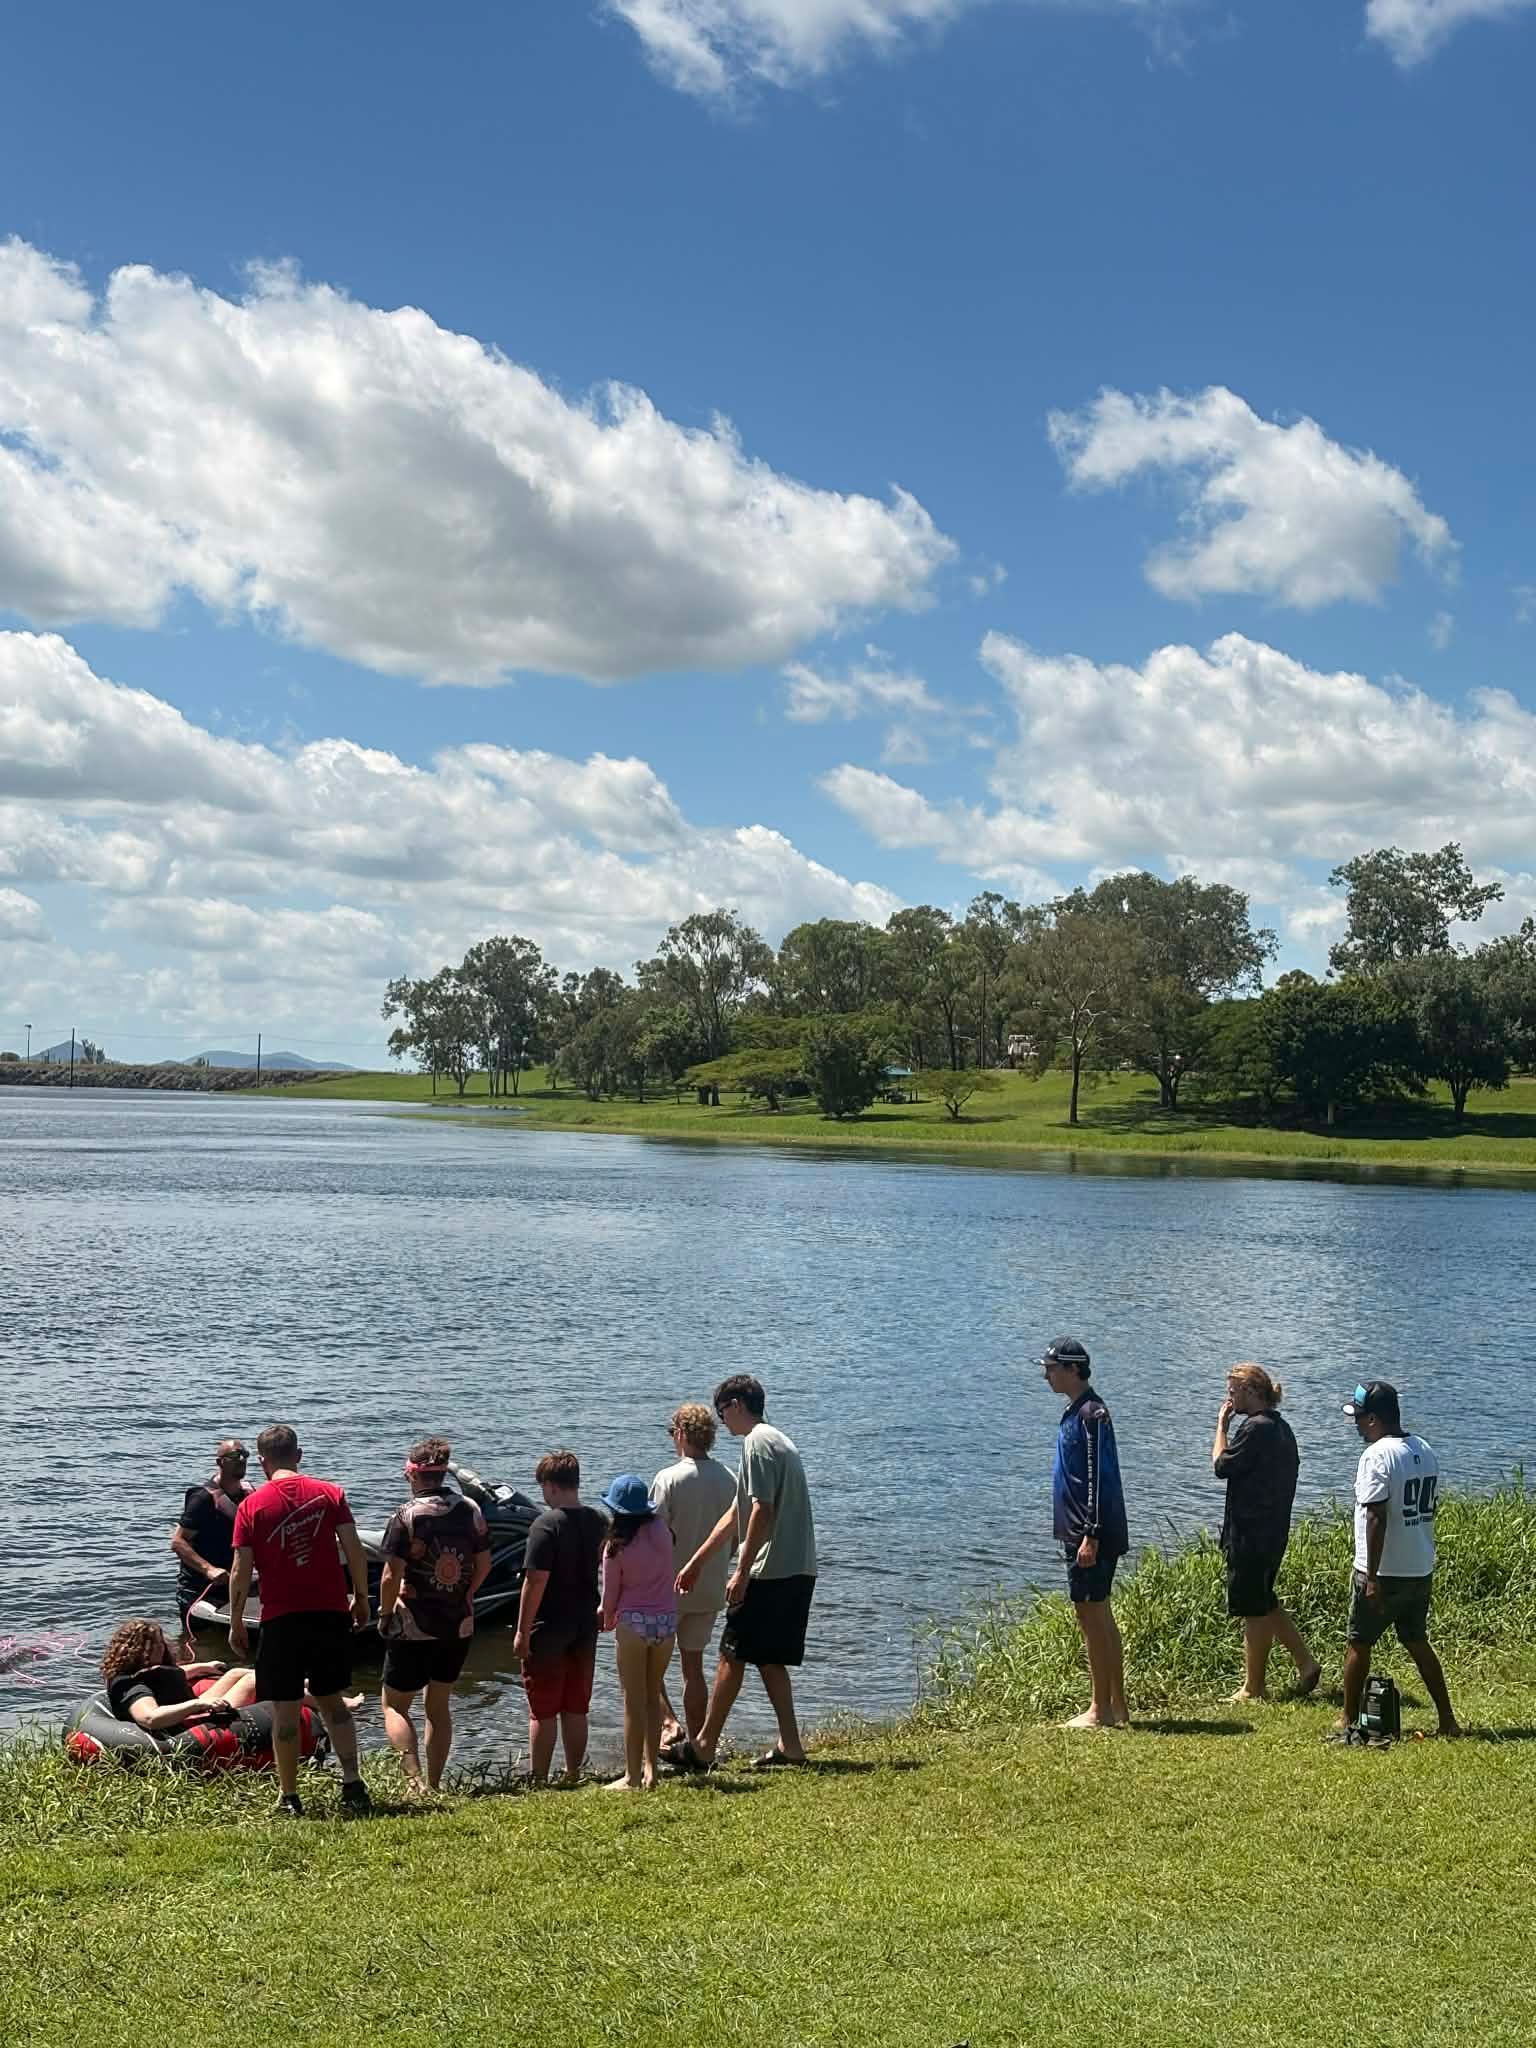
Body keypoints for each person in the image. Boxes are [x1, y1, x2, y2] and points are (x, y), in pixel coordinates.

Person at [665, 1374, 816, 1773]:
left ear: (736, 1405)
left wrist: (743, 1571)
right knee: (769, 1659)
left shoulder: (757, 1442)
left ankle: (703, 1746)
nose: (722, 1422)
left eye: (722, 1412)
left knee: (731, 1654)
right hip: (797, 1568)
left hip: (771, 1570)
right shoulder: (777, 1440)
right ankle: (792, 1746)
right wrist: (697, 1561)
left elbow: (762, 1512)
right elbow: (736, 1514)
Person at [229, 1423, 373, 1817]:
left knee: (286, 1710)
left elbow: (241, 1570)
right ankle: (353, 1785)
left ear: (261, 1462)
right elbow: (355, 1552)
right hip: (329, 1613)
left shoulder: (251, 1506)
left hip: (281, 1620)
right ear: (299, 1455)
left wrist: (237, 1619)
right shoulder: (330, 1494)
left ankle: (290, 1798)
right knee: (334, 1703)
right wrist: (361, 1599)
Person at [1334, 1380, 1458, 1743]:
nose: (1356, 1425)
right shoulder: (1424, 1448)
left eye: (1359, 1418)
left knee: (1359, 1642)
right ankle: (1447, 1718)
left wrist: (1370, 1577)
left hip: (1383, 1570)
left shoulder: (1376, 1456)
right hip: (1419, 1566)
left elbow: (1375, 1516)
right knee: (1417, 1640)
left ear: (1373, 1419)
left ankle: (1347, 1718)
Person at [376, 1434, 492, 1797]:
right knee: (438, 1706)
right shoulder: (471, 1510)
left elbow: (391, 1575)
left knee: (394, 1705)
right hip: (458, 1624)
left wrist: (383, 1613)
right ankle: (436, 1782)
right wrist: (467, 1593)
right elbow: (483, 1563)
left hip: (412, 1626)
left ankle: (414, 1784)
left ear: (413, 1475)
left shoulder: (405, 1516)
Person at [1212, 1363, 1321, 1703]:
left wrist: (1221, 1427)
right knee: (1265, 1600)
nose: (1229, 1400)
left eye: (1233, 1392)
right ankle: (1306, 1663)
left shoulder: (1254, 1428)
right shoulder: (1282, 1428)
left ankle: (1253, 1687)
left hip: (1252, 1533)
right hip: (1274, 1530)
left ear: (1251, 1392)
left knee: (1253, 1608)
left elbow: (1220, 1465)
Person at [1042, 1336, 1130, 1729]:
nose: (1047, 1375)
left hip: (1089, 1533)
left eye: (1052, 1367)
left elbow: (1096, 1477)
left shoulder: (1091, 1414)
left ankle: (1100, 1710)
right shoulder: (1076, 1410)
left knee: (1092, 1617)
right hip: (1081, 1531)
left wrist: (1091, 1534)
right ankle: (1115, 1706)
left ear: (1073, 1369)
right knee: (1098, 1614)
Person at [512, 1449, 606, 1785]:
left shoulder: (544, 1525)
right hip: (585, 1623)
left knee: (544, 1708)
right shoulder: (598, 1521)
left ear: (551, 1486)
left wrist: (522, 1632)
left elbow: (535, 1581)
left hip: (549, 1625)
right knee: (576, 1705)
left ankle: (538, 1777)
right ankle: (573, 1772)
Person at [650, 1402, 737, 1749]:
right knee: (693, 1666)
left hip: (667, 1586)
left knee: (647, 1664)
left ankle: (668, 1724)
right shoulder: (729, 1478)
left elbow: (653, 1536)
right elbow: (735, 1536)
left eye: (673, 1433)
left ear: (682, 1434)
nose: (673, 1439)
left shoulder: (668, 1478)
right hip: (710, 1586)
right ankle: (700, 1740)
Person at [598, 1474, 678, 1790]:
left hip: (633, 1624)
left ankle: (631, 1777)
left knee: (632, 1700)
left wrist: (605, 1619)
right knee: (651, 1694)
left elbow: (609, 1600)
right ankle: (652, 1771)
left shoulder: (614, 1547)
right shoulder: (663, 1531)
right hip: (666, 1623)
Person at [101, 1619, 250, 1733]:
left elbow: (170, 1675)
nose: (161, 1648)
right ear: (137, 1651)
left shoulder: (141, 1671)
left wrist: (203, 1667)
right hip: (188, 1720)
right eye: (155, 1645)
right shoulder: (131, 1685)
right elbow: (150, 1718)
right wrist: (198, 1705)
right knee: (251, 1680)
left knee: (235, 1673)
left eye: (160, 1643)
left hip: (192, 1708)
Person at [170, 1438, 254, 1638]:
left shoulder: (248, 1495)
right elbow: (178, 1542)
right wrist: (208, 1569)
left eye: (245, 1455)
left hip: (234, 1585)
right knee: (196, 1643)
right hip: (200, 1590)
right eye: (234, 1456)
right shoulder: (203, 1498)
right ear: (220, 1462)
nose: (241, 1459)